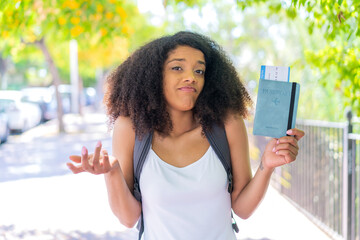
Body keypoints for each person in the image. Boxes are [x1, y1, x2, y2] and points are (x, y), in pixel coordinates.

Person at [67, 31, 305, 240]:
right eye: (177, 67)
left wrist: (266, 166)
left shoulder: (227, 123)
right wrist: (111, 173)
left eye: (199, 70)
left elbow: (242, 209)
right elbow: (128, 219)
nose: (191, 76)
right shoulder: (130, 128)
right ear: (154, 75)